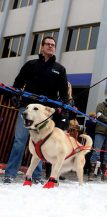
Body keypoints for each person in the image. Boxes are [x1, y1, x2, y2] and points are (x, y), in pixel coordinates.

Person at [3, 36, 69, 184]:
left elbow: (64, 92)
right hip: (26, 108)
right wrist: (15, 96)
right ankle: (10, 173)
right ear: (42, 46)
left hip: (44, 114)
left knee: (41, 144)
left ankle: (36, 176)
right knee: (20, 141)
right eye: (48, 44)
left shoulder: (60, 69)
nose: (51, 47)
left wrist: (64, 107)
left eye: (53, 45)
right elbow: (18, 84)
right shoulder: (31, 65)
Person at [88, 92, 107, 182]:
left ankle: (105, 175)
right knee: (96, 152)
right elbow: (100, 117)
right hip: (100, 132)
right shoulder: (100, 105)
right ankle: (91, 174)